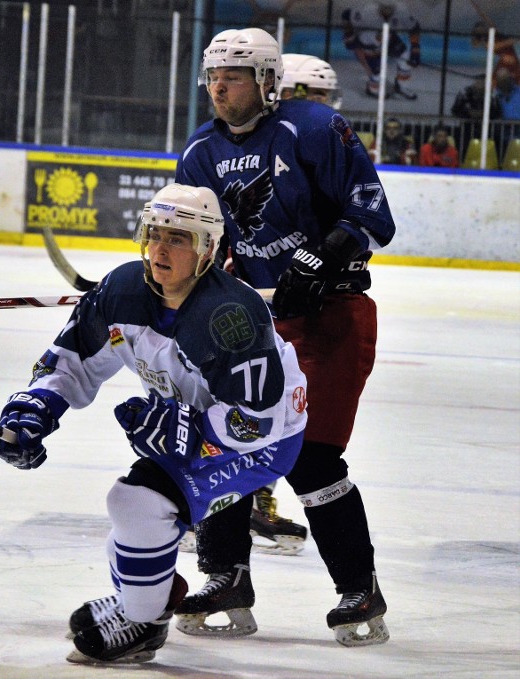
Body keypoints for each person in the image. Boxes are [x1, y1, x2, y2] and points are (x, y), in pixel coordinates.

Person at [0, 183, 308, 664]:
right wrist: (35, 408)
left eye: (178, 238)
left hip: (263, 439)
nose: (160, 248)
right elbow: (69, 363)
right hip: (205, 418)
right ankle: (142, 599)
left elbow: (255, 422)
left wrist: (186, 429)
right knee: (133, 517)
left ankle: (142, 622)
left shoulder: (231, 317)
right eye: (154, 233)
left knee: (138, 502)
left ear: (206, 249)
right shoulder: (121, 292)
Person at [174, 27, 396, 647]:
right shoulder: (199, 151)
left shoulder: (316, 130)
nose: (220, 87)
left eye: (235, 76)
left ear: (267, 81)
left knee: (312, 458)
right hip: (258, 323)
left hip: (332, 318)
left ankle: (360, 589)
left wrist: (321, 259)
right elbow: (209, 244)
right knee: (222, 444)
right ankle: (224, 578)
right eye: (214, 76)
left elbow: (373, 217)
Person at [341, 1, 421, 100]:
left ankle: (402, 85)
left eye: (390, 8)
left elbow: (414, 27)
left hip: (389, 37)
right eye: (384, 7)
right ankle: (373, 86)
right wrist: (349, 36)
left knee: (406, 57)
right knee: (377, 71)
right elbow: (346, 16)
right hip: (367, 40)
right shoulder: (365, 10)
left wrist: (415, 49)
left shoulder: (401, 10)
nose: (387, 11)